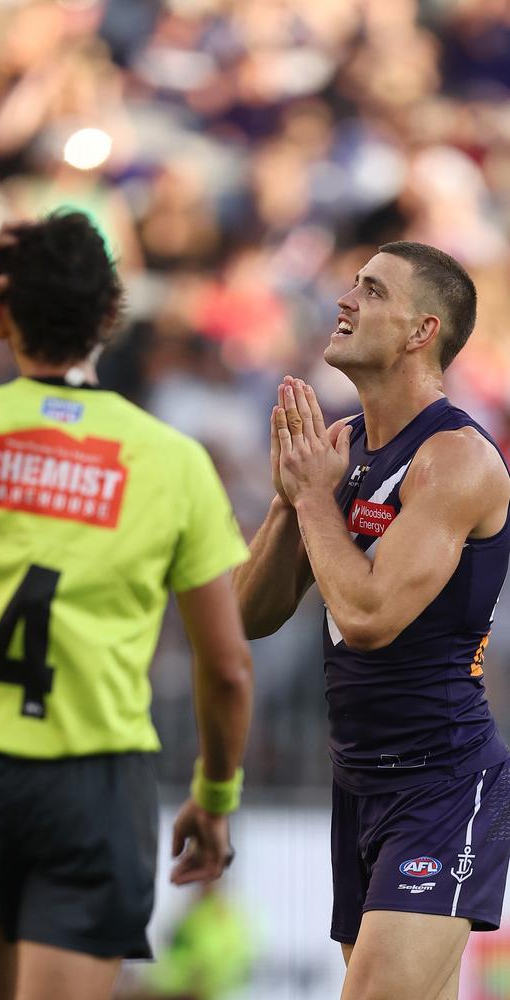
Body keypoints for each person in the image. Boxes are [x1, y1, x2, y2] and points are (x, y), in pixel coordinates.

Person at [0, 212, 253, 1000]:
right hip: (91, 782)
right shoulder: (171, 461)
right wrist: (215, 798)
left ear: (2, 314)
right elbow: (229, 669)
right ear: (112, 318)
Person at [234, 241, 510, 1000]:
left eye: (373, 290)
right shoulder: (337, 448)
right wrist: (295, 500)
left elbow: (369, 617)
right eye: (351, 283)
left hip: (443, 783)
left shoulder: (455, 459)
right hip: (358, 780)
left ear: (423, 331)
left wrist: (314, 499)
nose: (346, 299)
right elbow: (247, 613)